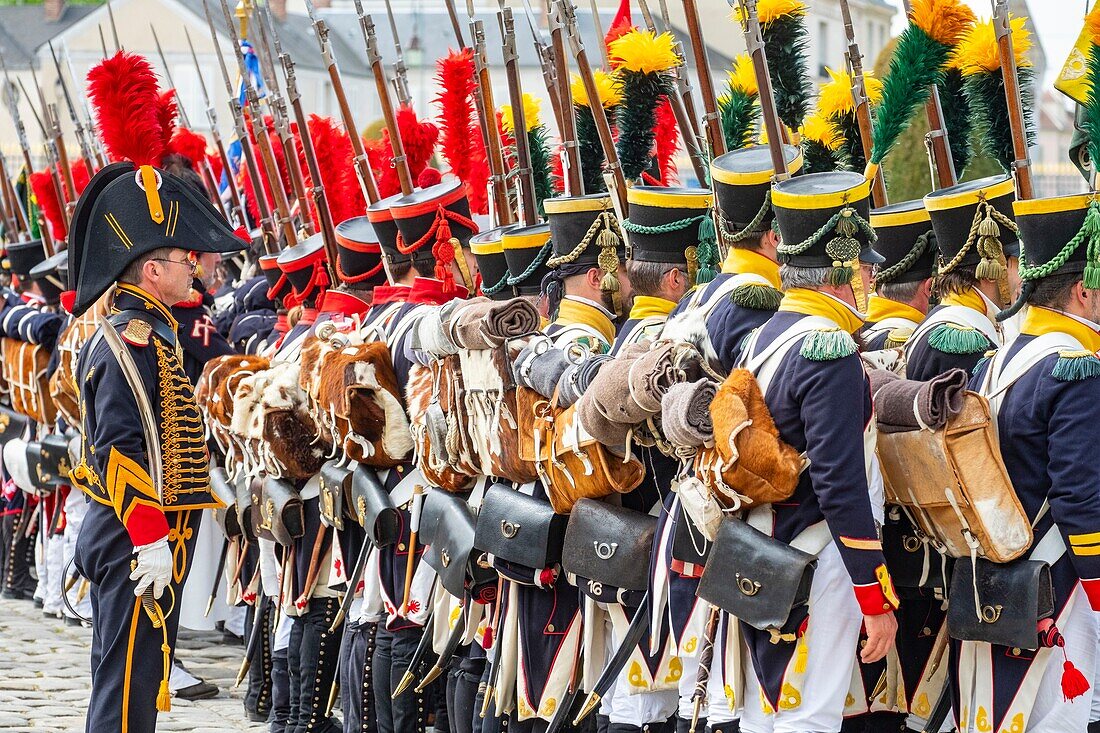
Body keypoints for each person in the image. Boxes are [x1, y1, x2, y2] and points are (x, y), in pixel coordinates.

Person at [68, 159, 245, 732]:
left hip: (142, 536)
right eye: (181, 259)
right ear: (150, 269)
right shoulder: (127, 344)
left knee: (137, 681)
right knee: (125, 691)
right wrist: (150, 541)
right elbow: (120, 453)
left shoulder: (152, 334)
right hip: (131, 538)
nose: (192, 268)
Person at [737, 170, 898, 733]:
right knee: (809, 716)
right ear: (842, 266)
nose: (873, 275)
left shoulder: (766, 335)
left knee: (772, 713)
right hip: (817, 556)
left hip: (766, 548)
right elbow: (840, 485)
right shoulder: (827, 351)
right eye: (865, 264)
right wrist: (873, 594)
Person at [961, 191, 1100, 733]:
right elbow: (1081, 499)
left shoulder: (999, 360)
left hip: (1001, 575)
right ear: (1085, 292)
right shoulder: (1076, 368)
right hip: (1059, 584)